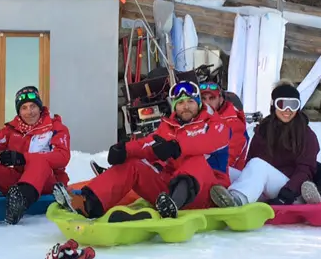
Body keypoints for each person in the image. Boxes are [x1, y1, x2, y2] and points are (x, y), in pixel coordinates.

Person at [53, 81, 229, 219]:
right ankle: (87, 203)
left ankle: (172, 205)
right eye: (181, 102)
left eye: (191, 101)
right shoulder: (168, 127)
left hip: (205, 193)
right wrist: (124, 149)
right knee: (133, 165)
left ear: (198, 103)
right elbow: (149, 144)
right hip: (167, 192)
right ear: (174, 105)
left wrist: (177, 147)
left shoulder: (214, 123)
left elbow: (209, 141)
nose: (186, 106)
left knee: (194, 160)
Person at [0, 85, 71, 225]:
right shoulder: (13, 130)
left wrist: (23, 158)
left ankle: (20, 199)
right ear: (19, 112)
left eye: (33, 106)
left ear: (40, 107)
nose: (29, 112)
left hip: (48, 182)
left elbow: (62, 156)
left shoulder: (55, 128)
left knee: (40, 161)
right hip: (18, 181)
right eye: (24, 108)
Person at [214, 82, 318, 207]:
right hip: (262, 184)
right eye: (282, 104)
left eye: (293, 105)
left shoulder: (306, 134)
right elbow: (250, 162)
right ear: (274, 105)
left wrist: (286, 194)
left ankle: (237, 200)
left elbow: (305, 170)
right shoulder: (264, 129)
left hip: (289, 191)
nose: (287, 110)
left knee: (258, 165)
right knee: (222, 169)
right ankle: (210, 197)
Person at [200, 80, 248, 172]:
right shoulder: (202, 118)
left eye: (212, 98)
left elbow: (229, 159)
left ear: (221, 99)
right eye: (203, 98)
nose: (207, 103)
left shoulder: (233, 123)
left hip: (228, 176)